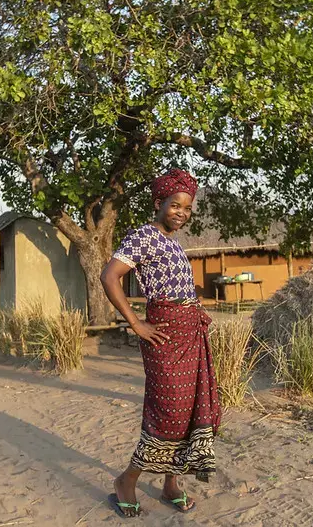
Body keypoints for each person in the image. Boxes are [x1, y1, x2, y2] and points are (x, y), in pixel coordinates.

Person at [100, 168, 221, 518]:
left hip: (190, 336)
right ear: (159, 203)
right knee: (167, 414)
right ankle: (127, 481)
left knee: (189, 412)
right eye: (175, 205)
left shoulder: (173, 242)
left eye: (187, 208)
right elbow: (109, 276)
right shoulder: (144, 236)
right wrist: (136, 323)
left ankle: (170, 484)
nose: (181, 212)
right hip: (164, 337)